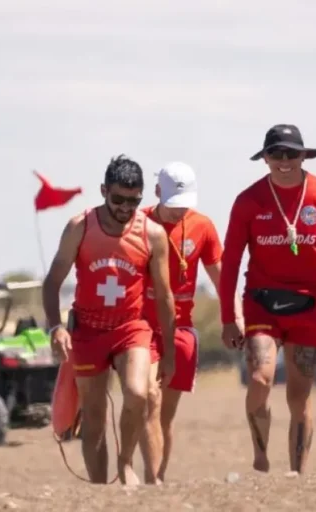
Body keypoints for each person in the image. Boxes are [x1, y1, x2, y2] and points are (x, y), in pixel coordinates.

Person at [219, 124, 316, 474]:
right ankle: (260, 455)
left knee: (299, 396)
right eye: (276, 154)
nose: (284, 160)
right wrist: (228, 318)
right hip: (261, 302)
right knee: (260, 378)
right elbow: (231, 261)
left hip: (309, 304)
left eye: (291, 153)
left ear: (303, 156)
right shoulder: (249, 200)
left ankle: (297, 472)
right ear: (265, 158)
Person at [42, 154, 176, 487]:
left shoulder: (153, 234)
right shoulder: (80, 227)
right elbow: (52, 281)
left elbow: (164, 297)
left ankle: (125, 462)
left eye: (134, 201)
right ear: (104, 191)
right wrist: (56, 327)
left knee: (138, 393)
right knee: (94, 417)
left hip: (130, 328)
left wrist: (170, 353)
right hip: (87, 331)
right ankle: (100, 491)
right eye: (118, 199)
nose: (125, 208)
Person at [138, 162, 242, 484]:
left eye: (183, 204)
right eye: (172, 204)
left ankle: (157, 480)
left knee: (164, 416)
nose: (178, 211)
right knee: (148, 399)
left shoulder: (202, 226)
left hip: (181, 330)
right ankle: (147, 477)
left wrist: (235, 317)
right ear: (157, 192)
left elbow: (222, 279)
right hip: (143, 328)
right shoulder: (138, 223)